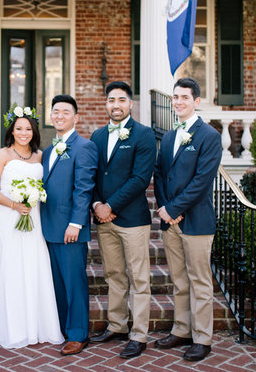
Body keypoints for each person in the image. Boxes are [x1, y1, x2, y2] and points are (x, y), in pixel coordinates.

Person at [153, 77, 222, 362]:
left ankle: (202, 337)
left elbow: (202, 182)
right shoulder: (169, 136)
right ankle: (181, 329)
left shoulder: (209, 136)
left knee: (200, 281)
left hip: (197, 222)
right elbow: (159, 175)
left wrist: (176, 208)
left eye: (184, 97)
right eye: (175, 97)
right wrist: (166, 208)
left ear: (196, 101)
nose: (178, 102)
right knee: (179, 281)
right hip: (172, 222)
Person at [0, 107, 64, 349]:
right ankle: (15, 328)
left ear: (34, 131)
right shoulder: (2, 155)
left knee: (35, 267)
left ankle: (38, 326)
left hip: (34, 218)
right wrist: (13, 204)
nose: (23, 133)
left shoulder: (40, 156)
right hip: (9, 217)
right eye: (19, 128)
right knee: (12, 268)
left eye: (28, 128)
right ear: (11, 130)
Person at [89, 81, 156, 359]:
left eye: (121, 100)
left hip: (132, 219)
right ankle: (117, 325)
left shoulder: (144, 135)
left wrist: (110, 205)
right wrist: (96, 204)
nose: (115, 105)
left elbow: (140, 179)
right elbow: (91, 174)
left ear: (130, 104)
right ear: (106, 104)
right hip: (104, 220)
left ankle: (138, 334)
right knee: (114, 275)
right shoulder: (97, 136)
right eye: (110, 100)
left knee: (139, 278)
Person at [40, 95, 98, 356]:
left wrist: (76, 222)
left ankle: (78, 334)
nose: (59, 115)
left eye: (65, 112)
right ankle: (64, 329)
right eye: (55, 111)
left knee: (74, 282)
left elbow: (84, 188)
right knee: (57, 283)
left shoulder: (83, 146)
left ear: (76, 117)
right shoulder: (50, 150)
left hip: (69, 227)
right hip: (48, 226)